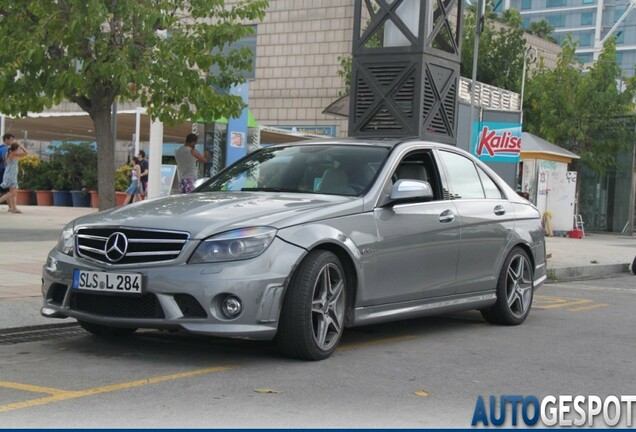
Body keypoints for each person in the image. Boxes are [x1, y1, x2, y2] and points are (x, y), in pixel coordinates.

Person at [0, 141, 29, 213]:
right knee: (12, 193)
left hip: (10, 174)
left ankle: (14, 208)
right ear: (16, 148)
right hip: (11, 175)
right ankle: (13, 208)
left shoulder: (8, 153)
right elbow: (26, 152)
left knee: (13, 192)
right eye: (18, 148)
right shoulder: (13, 153)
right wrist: (20, 145)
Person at [0, 133, 14, 199]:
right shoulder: (5, 149)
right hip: (3, 170)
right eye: (11, 140)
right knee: (6, 190)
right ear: (6, 139)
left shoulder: (1, 147)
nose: (12, 141)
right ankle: (11, 207)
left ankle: (11, 207)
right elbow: (5, 160)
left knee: (5, 190)